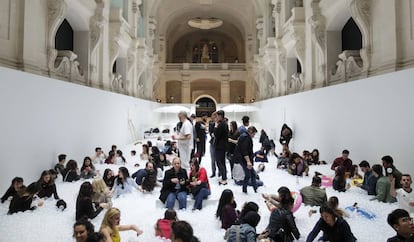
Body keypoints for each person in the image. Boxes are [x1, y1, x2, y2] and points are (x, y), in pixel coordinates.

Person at [234, 126, 258, 193]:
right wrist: (248, 161)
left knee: (252, 174)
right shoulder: (246, 138)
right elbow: (244, 151)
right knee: (248, 175)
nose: (254, 136)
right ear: (251, 132)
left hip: (243, 159)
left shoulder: (244, 136)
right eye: (254, 134)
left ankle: (254, 189)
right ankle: (246, 189)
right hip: (244, 159)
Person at [214, 110, 229, 185]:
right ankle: (224, 176)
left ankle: (224, 178)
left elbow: (216, 135)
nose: (216, 118)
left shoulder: (221, 124)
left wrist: (216, 126)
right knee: (222, 162)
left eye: (216, 116)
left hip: (220, 146)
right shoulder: (225, 123)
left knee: (219, 162)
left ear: (220, 116)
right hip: (223, 146)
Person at [209, 112, 218, 178]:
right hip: (213, 143)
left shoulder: (220, 123)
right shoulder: (211, 123)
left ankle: (220, 172)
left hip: (218, 144)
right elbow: (211, 132)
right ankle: (213, 172)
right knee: (213, 159)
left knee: (219, 159)